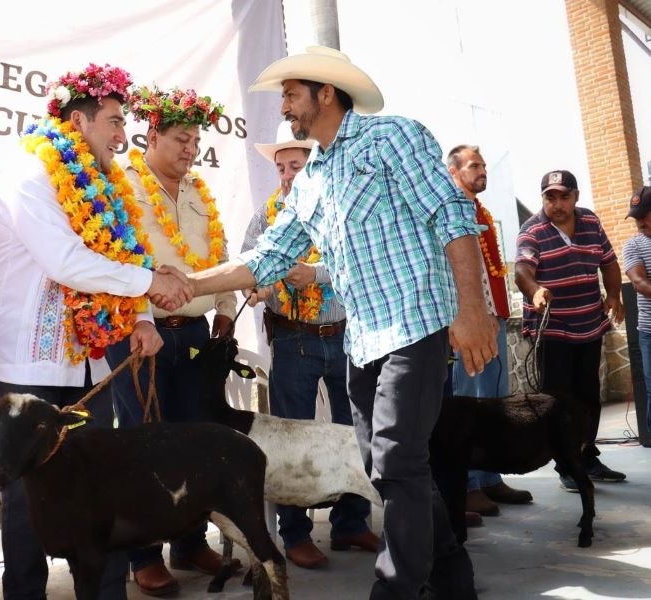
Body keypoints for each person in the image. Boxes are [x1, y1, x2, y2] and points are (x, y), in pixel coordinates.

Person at [182, 46, 497, 600]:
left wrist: (473, 311)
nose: (284, 104)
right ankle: (453, 580)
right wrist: (187, 282)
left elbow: (453, 214)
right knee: (387, 469)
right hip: (364, 342)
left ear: (325, 93)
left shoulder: (393, 137)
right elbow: (267, 258)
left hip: (417, 326)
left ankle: (395, 589)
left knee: (398, 460)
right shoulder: (311, 179)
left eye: (290, 93)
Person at [0, 64, 190, 600]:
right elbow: (69, 261)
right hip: (26, 367)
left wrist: (141, 314)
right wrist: (153, 281)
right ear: (78, 120)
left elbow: (118, 253)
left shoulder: (107, 188)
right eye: (115, 123)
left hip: (88, 361)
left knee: (102, 486)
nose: (123, 136)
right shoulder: (29, 177)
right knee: (30, 498)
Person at [104, 84, 238, 596]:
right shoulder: (121, 185)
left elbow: (220, 252)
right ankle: (144, 555)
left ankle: (187, 542)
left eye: (196, 140)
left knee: (195, 443)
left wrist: (225, 310)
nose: (190, 149)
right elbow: (119, 259)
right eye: (181, 138)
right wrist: (141, 318)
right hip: (142, 334)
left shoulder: (200, 192)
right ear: (151, 135)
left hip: (197, 333)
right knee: (146, 445)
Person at [241, 120, 378, 569]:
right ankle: (295, 533)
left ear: (311, 164)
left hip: (344, 336)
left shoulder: (336, 207)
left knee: (354, 433)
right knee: (291, 438)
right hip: (294, 339)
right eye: (280, 167)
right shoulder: (267, 217)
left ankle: (351, 524)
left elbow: (358, 264)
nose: (286, 174)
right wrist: (255, 287)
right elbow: (250, 264)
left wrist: (315, 274)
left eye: (294, 165)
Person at [515, 169, 627, 492]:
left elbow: (608, 261)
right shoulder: (532, 230)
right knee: (559, 401)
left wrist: (615, 295)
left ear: (576, 197)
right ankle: (566, 465)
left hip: (589, 325)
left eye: (564, 196)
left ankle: (587, 458)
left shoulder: (590, 222)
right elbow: (522, 270)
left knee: (589, 398)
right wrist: (535, 289)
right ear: (543, 199)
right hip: (553, 330)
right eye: (550, 197)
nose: (558, 204)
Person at [446, 145, 533, 518]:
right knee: (467, 406)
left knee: (494, 404)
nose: (483, 170)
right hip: (466, 325)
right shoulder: (447, 211)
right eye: (474, 165)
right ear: (453, 171)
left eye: (483, 165)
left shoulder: (479, 211)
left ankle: (489, 476)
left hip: (493, 319)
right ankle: (465, 486)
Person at [623, 186, 651, 437]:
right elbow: (640, 283)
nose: (639, 221)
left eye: (644, 214)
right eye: (636, 216)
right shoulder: (633, 246)